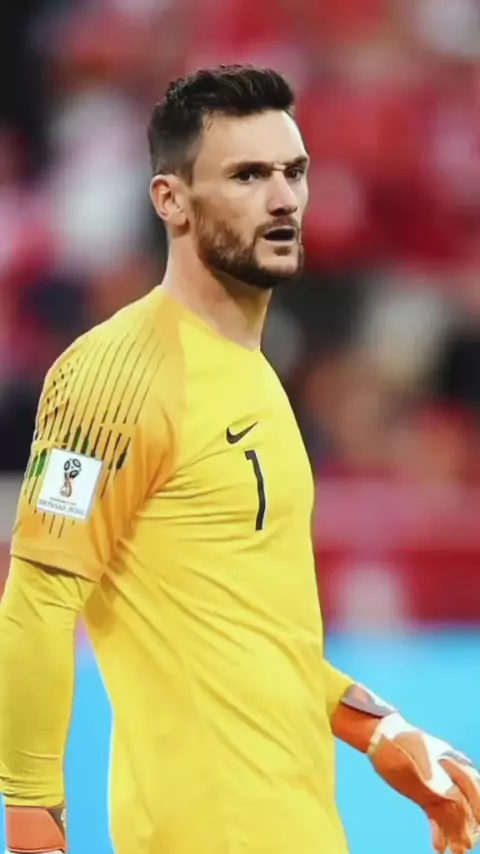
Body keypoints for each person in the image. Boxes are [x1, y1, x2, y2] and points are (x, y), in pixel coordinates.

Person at [0, 65, 479, 854]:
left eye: (294, 172)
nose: (283, 198)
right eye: (248, 175)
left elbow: (255, 636)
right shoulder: (113, 375)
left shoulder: (255, 377)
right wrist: (32, 832)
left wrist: (381, 729)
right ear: (171, 200)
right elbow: (37, 603)